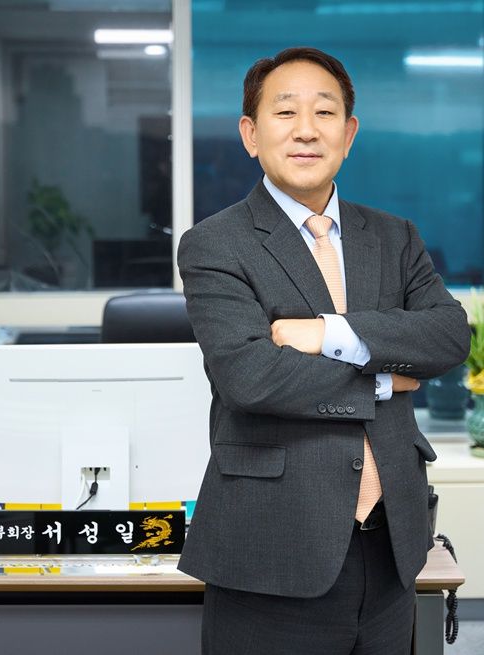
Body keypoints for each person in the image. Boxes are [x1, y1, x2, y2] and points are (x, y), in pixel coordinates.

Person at [177, 47, 471, 655]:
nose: (307, 130)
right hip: (273, 549)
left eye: (325, 112)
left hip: (390, 546)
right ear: (250, 134)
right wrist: (384, 379)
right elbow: (252, 377)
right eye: (285, 112)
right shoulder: (215, 244)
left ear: (349, 133)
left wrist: (327, 335)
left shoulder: (394, 236)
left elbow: (448, 336)